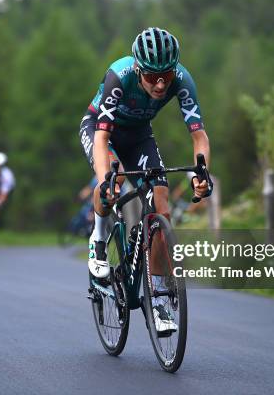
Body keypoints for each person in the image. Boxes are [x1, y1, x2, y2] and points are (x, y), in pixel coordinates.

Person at [78, 27, 211, 332]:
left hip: (138, 136)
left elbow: (199, 136)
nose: (161, 83)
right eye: (152, 77)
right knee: (108, 180)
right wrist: (106, 180)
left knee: (161, 209)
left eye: (166, 74)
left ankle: (160, 301)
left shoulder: (182, 80)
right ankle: (98, 238)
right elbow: (101, 138)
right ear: (138, 69)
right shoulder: (119, 76)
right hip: (100, 130)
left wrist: (201, 173)